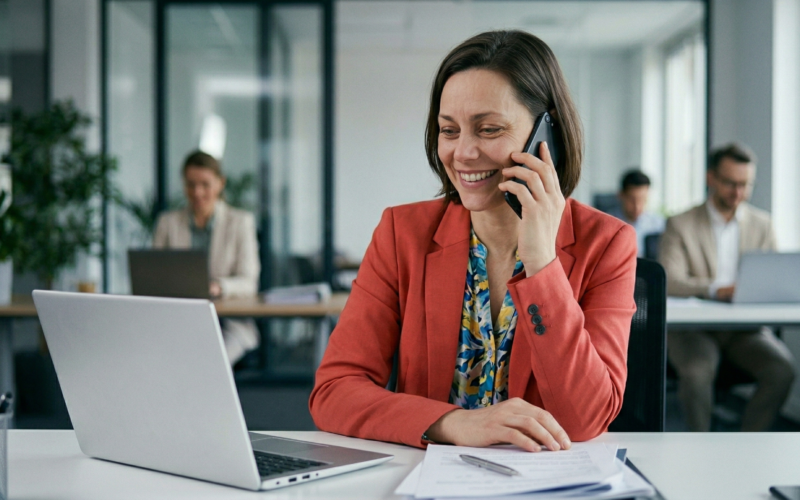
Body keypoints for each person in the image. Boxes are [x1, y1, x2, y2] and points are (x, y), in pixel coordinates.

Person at [309, 31, 637, 451]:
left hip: (547, 477)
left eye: (489, 129)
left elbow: (585, 418)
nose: (462, 152)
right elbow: (334, 390)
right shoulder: (401, 234)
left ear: (546, 131)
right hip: (427, 474)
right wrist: (453, 423)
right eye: (449, 130)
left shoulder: (607, 244)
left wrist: (542, 264)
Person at [659, 142, 795, 432]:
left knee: (782, 370)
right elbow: (669, 279)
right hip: (693, 330)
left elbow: (772, 279)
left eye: (745, 185)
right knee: (698, 372)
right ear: (711, 178)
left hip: (744, 330)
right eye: (731, 183)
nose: (738, 193)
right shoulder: (681, 224)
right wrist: (716, 290)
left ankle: (746, 443)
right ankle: (702, 447)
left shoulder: (763, 225)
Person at [153, 151, 261, 365]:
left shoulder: (240, 222)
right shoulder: (168, 223)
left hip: (229, 324)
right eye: (191, 184)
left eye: (205, 184)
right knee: (164, 360)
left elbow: (249, 282)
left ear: (220, 183)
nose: (197, 192)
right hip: (178, 321)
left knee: (210, 363)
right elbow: (153, 274)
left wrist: (219, 287)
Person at [608, 169, 665, 258]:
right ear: (621, 195)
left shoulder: (658, 224)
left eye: (642, 199)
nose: (637, 206)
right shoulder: (608, 223)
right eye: (632, 200)